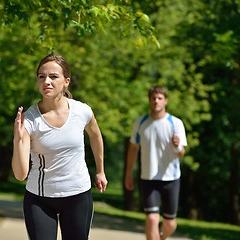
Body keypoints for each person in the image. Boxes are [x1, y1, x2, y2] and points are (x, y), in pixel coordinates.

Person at [12, 54, 108, 240]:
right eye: (41, 76)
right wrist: (18, 138)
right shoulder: (29, 120)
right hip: (39, 199)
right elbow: (20, 174)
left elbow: (96, 136)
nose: (46, 81)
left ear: (66, 81)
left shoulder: (82, 111)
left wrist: (100, 171)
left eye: (53, 76)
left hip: (78, 194)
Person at [124, 85, 187, 240]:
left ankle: (161, 237)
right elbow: (133, 149)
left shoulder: (175, 123)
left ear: (165, 101)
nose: (156, 101)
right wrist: (128, 174)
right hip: (148, 178)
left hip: (170, 179)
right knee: (152, 219)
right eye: (153, 98)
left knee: (170, 224)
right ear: (149, 100)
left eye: (159, 98)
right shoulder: (140, 123)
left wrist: (177, 145)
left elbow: (181, 154)